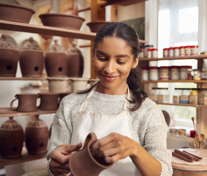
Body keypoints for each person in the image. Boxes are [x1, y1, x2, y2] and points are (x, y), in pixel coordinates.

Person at [46, 22, 172, 176]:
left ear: (135, 61)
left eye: (120, 61)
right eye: (102, 58)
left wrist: (134, 149)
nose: (109, 69)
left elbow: (164, 172)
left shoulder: (149, 111)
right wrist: (54, 166)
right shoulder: (69, 105)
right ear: (92, 56)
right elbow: (52, 163)